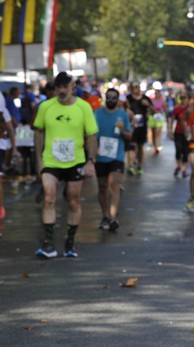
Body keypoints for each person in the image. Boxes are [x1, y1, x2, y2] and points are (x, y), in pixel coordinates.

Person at [33, 71, 99, 258]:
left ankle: (69, 243)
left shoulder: (84, 107)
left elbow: (91, 135)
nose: (61, 91)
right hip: (51, 161)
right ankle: (48, 244)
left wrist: (90, 161)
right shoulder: (45, 107)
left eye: (65, 87)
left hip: (75, 161)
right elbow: (38, 132)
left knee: (73, 200)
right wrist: (39, 159)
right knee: (49, 197)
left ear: (72, 87)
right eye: (58, 87)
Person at [94, 88, 132, 231]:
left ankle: (112, 217)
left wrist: (122, 131)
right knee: (102, 187)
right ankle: (104, 215)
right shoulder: (97, 114)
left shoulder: (123, 115)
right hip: (101, 155)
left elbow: (129, 135)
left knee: (115, 185)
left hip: (117, 156)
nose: (111, 100)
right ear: (105, 98)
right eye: (108, 97)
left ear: (117, 99)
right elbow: (91, 133)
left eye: (113, 97)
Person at [126, 81, 155, 175]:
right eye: (134, 87)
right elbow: (123, 108)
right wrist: (128, 110)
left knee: (140, 146)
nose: (136, 89)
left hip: (142, 125)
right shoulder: (128, 98)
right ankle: (130, 165)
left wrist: (148, 105)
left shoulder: (145, 98)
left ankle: (139, 165)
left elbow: (154, 111)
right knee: (131, 145)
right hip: (131, 125)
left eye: (137, 87)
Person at [0, 95, 16, 221]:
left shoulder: (3, 112)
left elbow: (10, 130)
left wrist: (15, 148)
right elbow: (10, 129)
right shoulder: (4, 112)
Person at [170, 92, 191, 178]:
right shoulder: (177, 108)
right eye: (181, 98)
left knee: (186, 151)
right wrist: (170, 131)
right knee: (178, 150)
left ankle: (184, 169)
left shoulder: (191, 109)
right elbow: (172, 120)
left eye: (185, 97)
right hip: (178, 131)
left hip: (188, 133)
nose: (183, 99)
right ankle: (178, 166)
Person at [148, 84, 166, 155]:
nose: (156, 94)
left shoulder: (162, 101)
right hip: (152, 118)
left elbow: (164, 109)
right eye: (155, 93)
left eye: (157, 93)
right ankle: (154, 145)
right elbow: (149, 109)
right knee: (153, 132)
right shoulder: (152, 101)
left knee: (157, 132)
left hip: (159, 118)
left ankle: (157, 146)